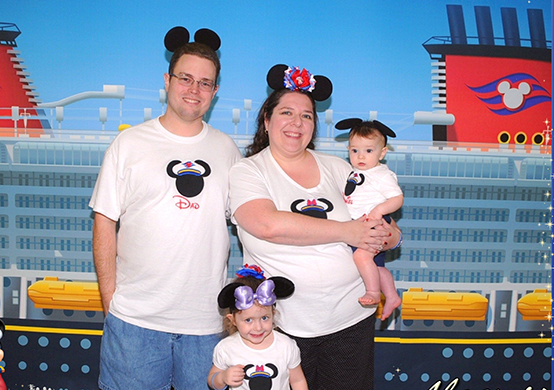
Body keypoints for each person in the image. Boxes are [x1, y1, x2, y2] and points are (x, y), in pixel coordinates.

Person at [229, 64, 402, 390]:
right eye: (287, 113)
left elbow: (387, 229)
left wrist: (388, 235)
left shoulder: (339, 168)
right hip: (283, 327)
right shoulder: (247, 172)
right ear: (266, 121)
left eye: (307, 116)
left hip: (351, 319)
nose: (297, 123)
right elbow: (267, 224)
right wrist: (347, 231)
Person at [89, 27, 242, 390]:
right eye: (186, 78)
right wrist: (112, 305)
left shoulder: (228, 151)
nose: (194, 89)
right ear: (167, 80)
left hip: (206, 325)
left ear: (215, 92)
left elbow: (251, 226)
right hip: (134, 323)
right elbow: (104, 223)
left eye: (206, 83)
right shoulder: (129, 144)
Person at [336, 118, 404, 321]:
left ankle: (374, 293)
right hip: (361, 225)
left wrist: (379, 211)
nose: (360, 156)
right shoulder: (353, 172)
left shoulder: (382, 174)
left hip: (372, 224)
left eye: (368, 151)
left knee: (361, 257)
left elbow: (397, 198)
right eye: (354, 151)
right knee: (378, 267)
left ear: (382, 153)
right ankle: (391, 295)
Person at [208, 264, 308, 390]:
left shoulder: (286, 346)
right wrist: (222, 378)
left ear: (273, 314)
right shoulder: (226, 348)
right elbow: (212, 380)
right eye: (248, 320)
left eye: (264, 318)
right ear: (232, 320)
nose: (258, 327)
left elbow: (298, 381)